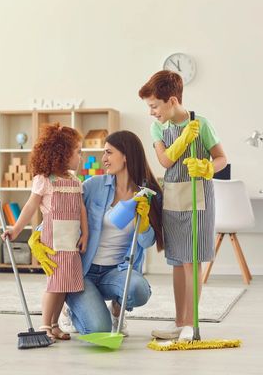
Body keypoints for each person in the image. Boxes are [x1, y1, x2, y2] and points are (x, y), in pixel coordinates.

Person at [28, 130, 163, 335]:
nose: (104, 159)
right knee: (99, 329)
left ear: (125, 155)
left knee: (139, 290)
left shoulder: (147, 193)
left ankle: (116, 310)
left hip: (116, 271)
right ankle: (72, 311)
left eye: (109, 152)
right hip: (83, 272)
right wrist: (38, 234)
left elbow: (147, 242)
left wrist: (143, 222)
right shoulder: (93, 186)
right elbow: (64, 213)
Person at [139, 70, 227, 341]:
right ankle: (180, 323)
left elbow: (222, 159)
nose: (152, 112)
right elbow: (165, 161)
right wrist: (183, 139)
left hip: (198, 199)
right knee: (177, 261)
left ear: (172, 100)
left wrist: (207, 168)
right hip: (174, 198)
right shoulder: (159, 128)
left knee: (192, 261)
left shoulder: (202, 124)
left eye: (154, 105)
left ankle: (191, 323)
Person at [1, 123, 88, 341]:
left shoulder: (76, 182)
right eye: (78, 152)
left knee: (64, 285)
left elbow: (82, 210)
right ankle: (44, 325)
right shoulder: (44, 180)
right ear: (62, 153)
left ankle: (55, 324)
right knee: (54, 284)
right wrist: (16, 229)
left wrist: (85, 234)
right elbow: (30, 206)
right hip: (53, 241)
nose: (81, 156)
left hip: (71, 241)